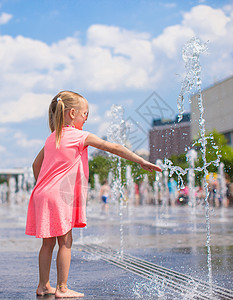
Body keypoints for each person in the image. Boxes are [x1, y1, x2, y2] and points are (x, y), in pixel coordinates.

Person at [25, 91, 162, 298]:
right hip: (60, 197)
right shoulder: (81, 136)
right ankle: (62, 288)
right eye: (85, 114)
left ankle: (43, 286)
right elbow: (113, 147)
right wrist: (140, 160)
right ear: (72, 113)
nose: (86, 118)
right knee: (65, 241)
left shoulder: (52, 137)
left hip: (42, 193)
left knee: (47, 243)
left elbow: (36, 164)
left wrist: (45, 185)